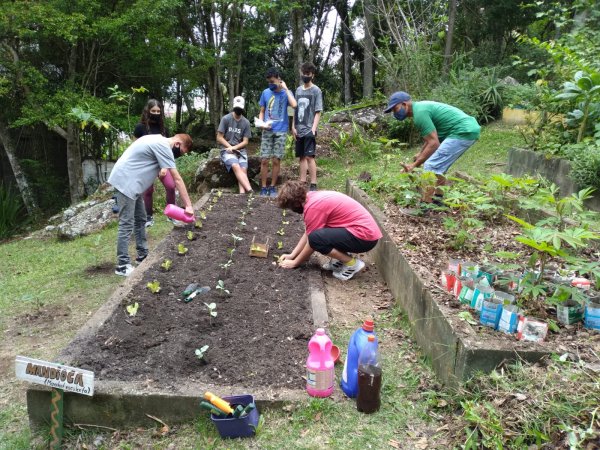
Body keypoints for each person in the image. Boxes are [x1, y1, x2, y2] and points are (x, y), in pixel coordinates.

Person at [108, 133, 194, 277]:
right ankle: (122, 265)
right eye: (182, 151)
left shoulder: (156, 139)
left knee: (141, 219)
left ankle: (142, 255)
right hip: (126, 183)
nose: (179, 155)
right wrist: (189, 206)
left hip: (133, 184)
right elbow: (177, 179)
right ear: (178, 144)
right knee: (126, 224)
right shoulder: (164, 146)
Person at [276, 180, 382, 281]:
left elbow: (312, 241)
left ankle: (352, 264)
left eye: (290, 207)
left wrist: (295, 262)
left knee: (316, 239)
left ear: (295, 204)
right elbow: (308, 231)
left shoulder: (313, 207)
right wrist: (292, 255)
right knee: (318, 234)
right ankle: (343, 260)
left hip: (364, 238)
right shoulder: (312, 197)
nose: (292, 210)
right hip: (365, 233)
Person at [384, 91, 480, 200]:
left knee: (431, 166)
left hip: (463, 131)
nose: (395, 113)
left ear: (404, 104)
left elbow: (434, 143)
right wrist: (420, 154)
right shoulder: (420, 109)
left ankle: (426, 204)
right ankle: (438, 199)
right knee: (439, 166)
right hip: (466, 129)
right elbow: (431, 139)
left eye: (395, 109)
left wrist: (414, 164)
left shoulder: (420, 114)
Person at [132, 99, 177, 228]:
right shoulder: (140, 127)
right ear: (148, 111)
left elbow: (168, 149)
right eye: (153, 111)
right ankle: (148, 217)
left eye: (158, 111)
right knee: (148, 190)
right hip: (145, 164)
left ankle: (171, 214)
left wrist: (164, 166)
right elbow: (135, 147)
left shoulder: (164, 128)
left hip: (161, 163)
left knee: (170, 186)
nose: (156, 113)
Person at [258, 67, 297, 197]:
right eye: (268, 82)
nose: (270, 84)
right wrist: (262, 123)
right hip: (267, 131)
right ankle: (263, 187)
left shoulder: (287, 93)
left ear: (279, 80)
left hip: (281, 130)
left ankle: (273, 187)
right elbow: (262, 111)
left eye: (273, 81)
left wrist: (285, 88)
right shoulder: (265, 93)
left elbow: (294, 106)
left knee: (276, 160)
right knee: (264, 160)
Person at [292, 62, 323, 191]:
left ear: (312, 75)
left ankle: (314, 183)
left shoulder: (316, 90)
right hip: (298, 128)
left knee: (310, 156)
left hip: (309, 128)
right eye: (304, 74)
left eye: (308, 74)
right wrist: (293, 126)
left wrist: (313, 129)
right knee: (301, 157)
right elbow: (294, 108)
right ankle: (302, 181)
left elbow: (318, 111)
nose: (306, 76)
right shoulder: (298, 90)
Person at [217, 96, 253, 193]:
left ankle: (242, 193)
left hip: (240, 150)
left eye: (240, 108)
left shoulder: (246, 122)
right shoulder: (226, 119)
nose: (238, 110)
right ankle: (250, 190)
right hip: (227, 149)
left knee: (243, 168)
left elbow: (245, 141)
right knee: (235, 165)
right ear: (233, 107)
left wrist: (235, 148)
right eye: (237, 108)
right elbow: (219, 137)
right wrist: (230, 147)